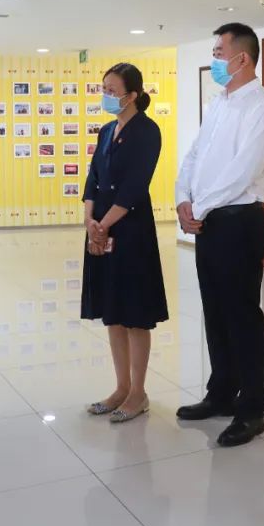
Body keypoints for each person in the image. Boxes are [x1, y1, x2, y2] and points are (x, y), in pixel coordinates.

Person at [174, 22, 264, 447]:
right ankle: (221, 392)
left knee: (241, 314)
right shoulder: (220, 103)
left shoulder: (263, 106)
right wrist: (183, 198)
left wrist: (198, 208)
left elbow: (243, 171)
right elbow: (195, 155)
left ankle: (252, 407)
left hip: (238, 221)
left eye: (219, 53)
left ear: (243, 58)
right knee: (215, 311)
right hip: (208, 220)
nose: (215, 60)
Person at [81, 62, 168, 423]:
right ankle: (120, 387)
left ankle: (138, 393)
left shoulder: (147, 131)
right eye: (103, 89)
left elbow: (134, 186)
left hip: (130, 228)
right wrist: (89, 219)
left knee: (135, 315)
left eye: (112, 91)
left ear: (132, 96)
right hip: (101, 224)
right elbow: (93, 176)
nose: (106, 96)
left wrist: (103, 224)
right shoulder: (106, 131)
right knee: (113, 313)